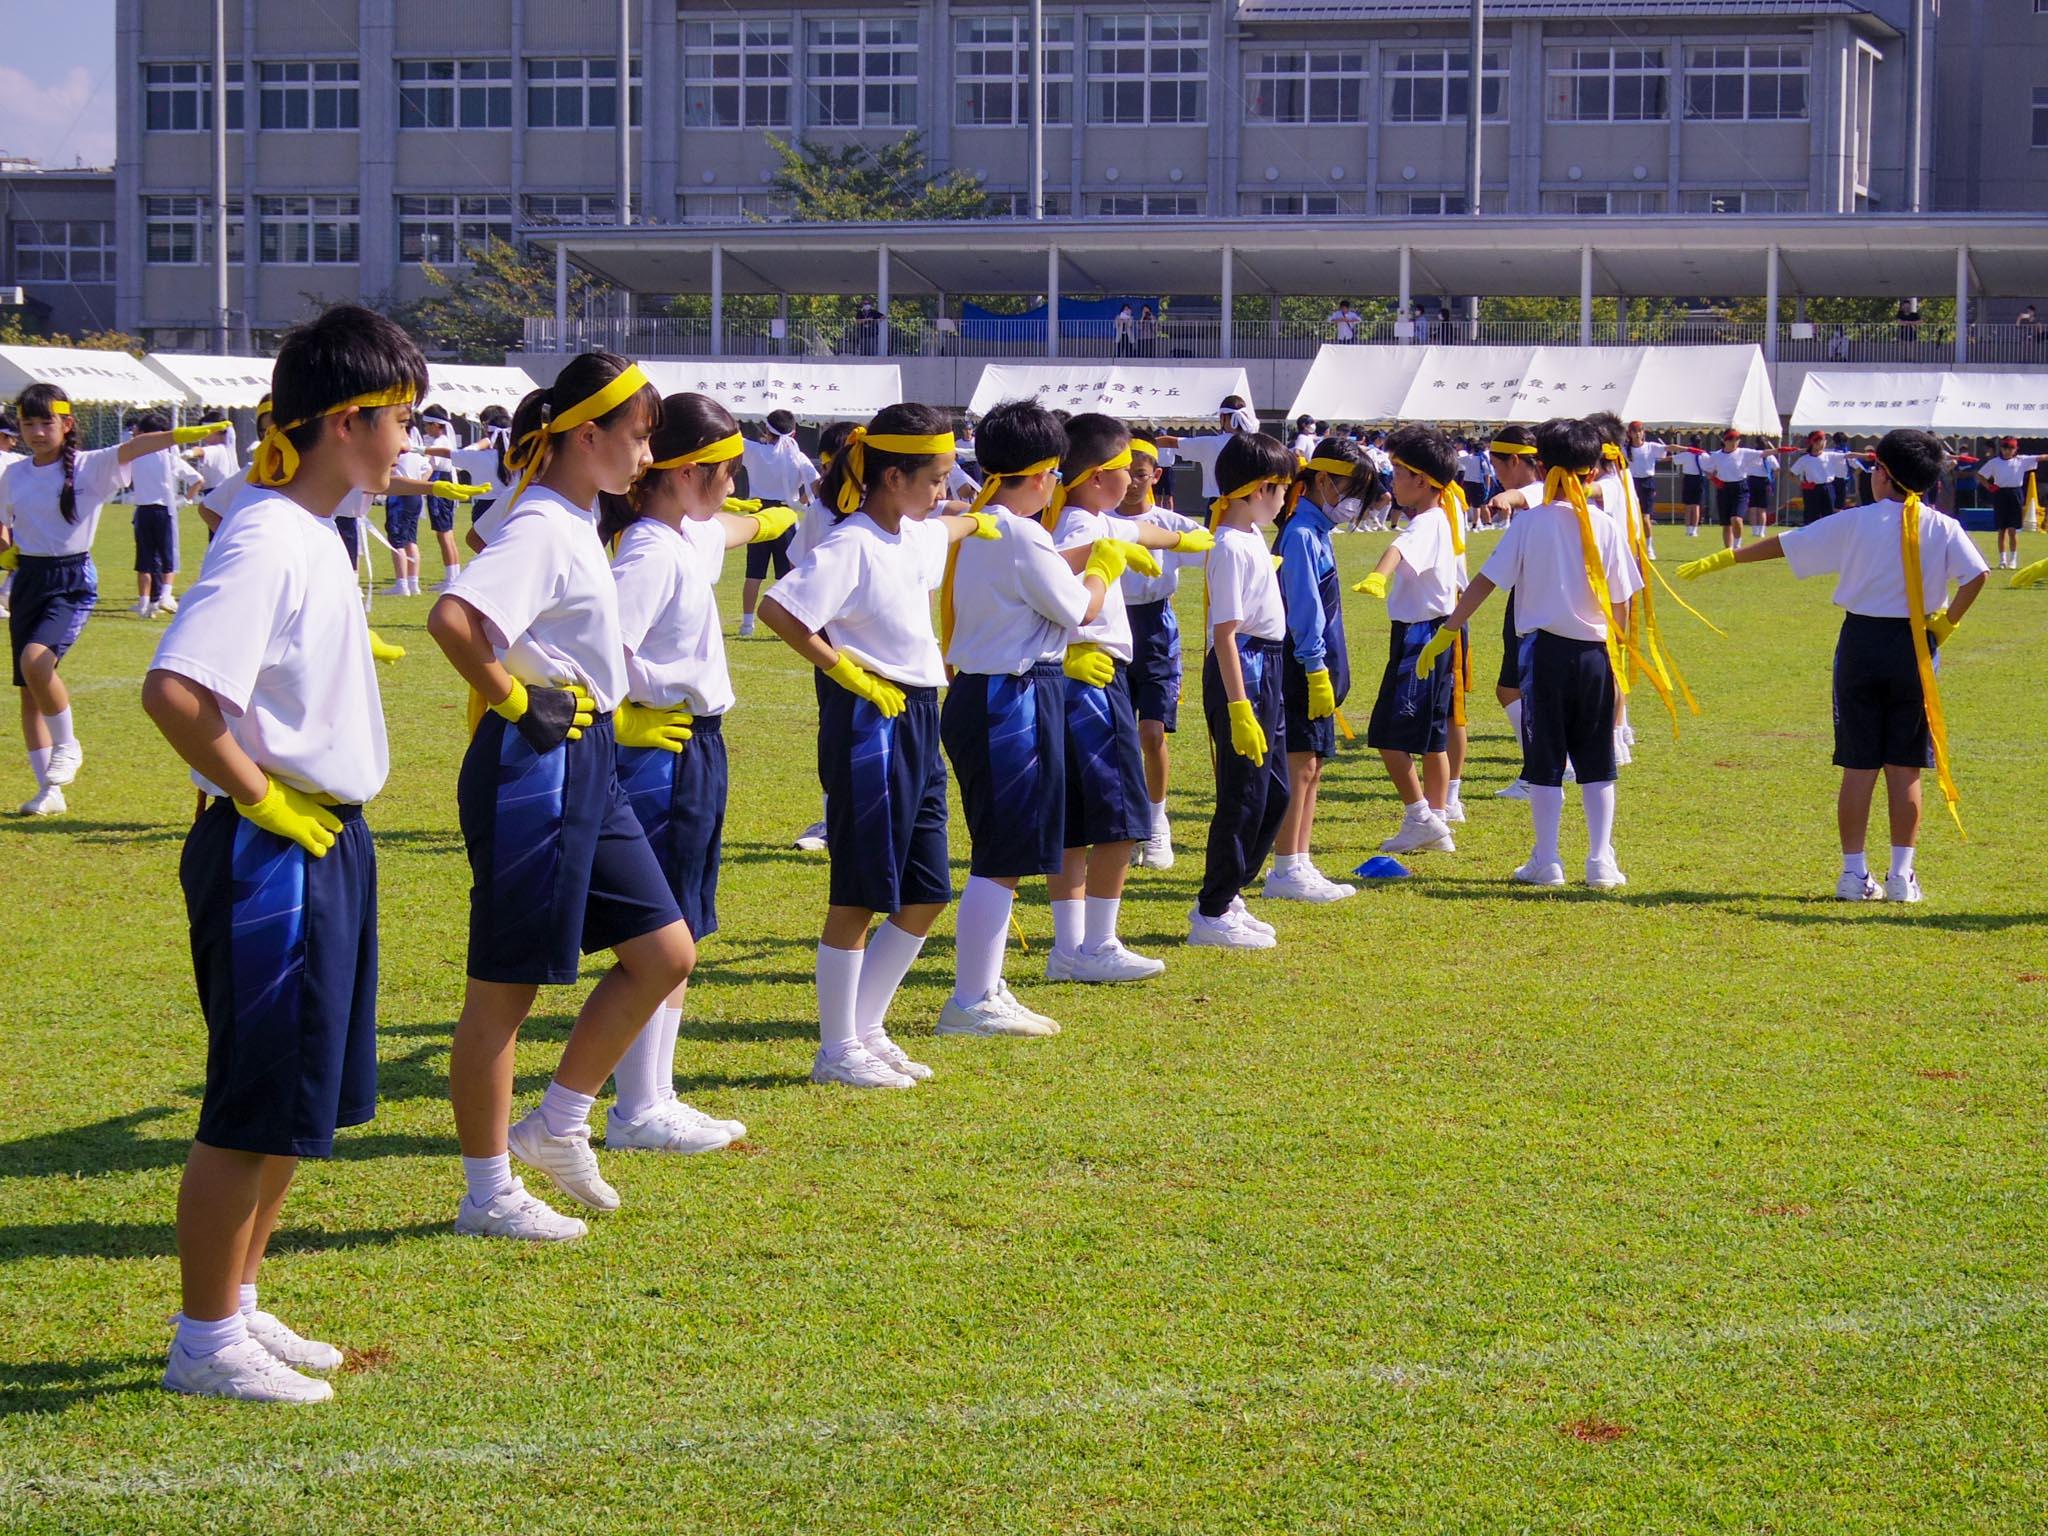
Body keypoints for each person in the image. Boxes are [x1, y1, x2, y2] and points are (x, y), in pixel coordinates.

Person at [140, 302, 427, 1403]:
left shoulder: (312, 528)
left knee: (299, 1098)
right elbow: (176, 691)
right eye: (402, 417)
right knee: (253, 1099)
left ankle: (240, 1302)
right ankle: (204, 1338)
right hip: (274, 852)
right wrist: (263, 799)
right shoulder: (268, 535)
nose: (411, 439)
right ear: (347, 421)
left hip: (324, 838)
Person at [427, 353, 696, 1240]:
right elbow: (454, 618)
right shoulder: (545, 522)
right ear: (586, 435)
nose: (648, 456)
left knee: (665, 952)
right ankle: (487, 1192)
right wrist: (516, 699)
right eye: (640, 436)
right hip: (532, 768)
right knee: (503, 991)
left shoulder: (570, 514)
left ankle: (558, 1124)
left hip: (586, 758)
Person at [755, 403, 1000, 1089]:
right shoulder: (852, 543)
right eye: (936, 478)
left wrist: (986, 516)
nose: (945, 490)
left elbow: (949, 526)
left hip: (918, 712)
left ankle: (865, 1029)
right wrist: (846, 672)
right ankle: (836, 1049)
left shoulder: (910, 532)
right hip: (871, 719)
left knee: (927, 890)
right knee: (861, 892)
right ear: (893, 477)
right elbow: (780, 608)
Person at [598, 392, 794, 1150]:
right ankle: (637, 1108)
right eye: (725, 469)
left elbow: (732, 527)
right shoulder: (650, 551)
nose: (734, 482)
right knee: (659, 930)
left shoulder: (683, 535)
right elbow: (602, 649)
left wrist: (768, 519)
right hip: (662, 747)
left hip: (694, 744)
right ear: (683, 472)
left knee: (681, 922)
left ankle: (656, 1095)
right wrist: (633, 709)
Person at [1677, 428, 1988, 903]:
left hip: (1861, 642)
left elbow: (1788, 544)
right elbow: (1977, 574)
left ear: (1883, 474)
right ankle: (1902, 876)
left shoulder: (1855, 521)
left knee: (1858, 765)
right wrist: (1949, 623)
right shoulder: (1942, 525)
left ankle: (1853, 874)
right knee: (1905, 766)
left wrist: (1727, 559)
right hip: (1916, 644)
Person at [936, 399, 1131, 1037]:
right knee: (1002, 856)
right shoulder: (1021, 533)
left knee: (1010, 852)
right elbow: (1079, 609)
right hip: (1010, 698)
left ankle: (987, 986)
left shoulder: (989, 524)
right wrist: (1102, 569)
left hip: (999, 692)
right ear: (1046, 473)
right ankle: (971, 999)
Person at [1422, 417, 1644, 890]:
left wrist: (1448, 629)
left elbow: (1486, 581)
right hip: (1596, 655)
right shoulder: (1606, 526)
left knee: (1545, 759)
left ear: (1541, 467)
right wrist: (1616, 655)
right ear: (1592, 472)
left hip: (1543, 655)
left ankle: (1548, 859)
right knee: (1597, 760)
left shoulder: (1531, 524)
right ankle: (1600, 859)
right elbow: (1622, 601)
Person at [0, 386, 226, 816]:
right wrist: (5, 551)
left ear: (67, 424)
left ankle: (68, 745)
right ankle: (49, 790)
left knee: (35, 662)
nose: (36, 432)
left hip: (70, 580)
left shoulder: (91, 465)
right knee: (30, 690)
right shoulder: (14, 474)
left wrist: (183, 435)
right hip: (28, 577)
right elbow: (3, 523)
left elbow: (137, 446)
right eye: (28, 423)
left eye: (46, 422)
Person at [1042, 414, 1202, 982]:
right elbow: (1060, 592)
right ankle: (1098, 944)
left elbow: (1138, 534)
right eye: (1122, 468)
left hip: (1079, 680)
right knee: (1118, 818)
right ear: (1096, 476)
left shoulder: (1086, 519)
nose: (1133, 479)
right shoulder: (1079, 529)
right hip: (1093, 678)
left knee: (1075, 822)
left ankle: (1070, 947)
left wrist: (1183, 538)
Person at [1190, 431, 1293, 949]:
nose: (1285, 497)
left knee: (1275, 793)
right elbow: (1225, 633)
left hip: (1267, 665)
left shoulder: (1251, 536)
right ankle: (1212, 911)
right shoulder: (1230, 545)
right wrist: (1238, 707)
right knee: (1244, 795)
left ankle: (1230, 893)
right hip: (1244, 670)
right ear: (1258, 489)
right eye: (1281, 488)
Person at [1267, 436, 1376, 901]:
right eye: (1352, 490)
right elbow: (1304, 609)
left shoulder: (1318, 531)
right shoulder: (1300, 534)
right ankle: (1285, 868)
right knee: (1300, 765)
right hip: (1301, 665)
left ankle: (1301, 859)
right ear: (1324, 481)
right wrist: (1315, 667)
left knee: (1312, 765)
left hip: (1318, 667)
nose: (1354, 503)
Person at [1352, 425, 1468, 855]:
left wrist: (1377, 577)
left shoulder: (1426, 523)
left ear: (1421, 481)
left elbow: (1397, 550)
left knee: (1388, 734)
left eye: (1398, 473)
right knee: (1432, 736)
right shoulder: (1440, 519)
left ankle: (1420, 817)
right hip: (1437, 631)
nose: (1393, 481)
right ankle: (1436, 820)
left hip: (1419, 637)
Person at [1118, 430, 1208, 869]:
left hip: (1156, 628)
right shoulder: (1097, 521)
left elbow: (1214, 550)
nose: (1133, 482)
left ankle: (1156, 822)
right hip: (1109, 625)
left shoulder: (1170, 523)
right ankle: (1127, 824)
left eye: (1141, 474)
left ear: (1155, 475)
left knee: (1152, 732)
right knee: (1115, 736)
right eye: (1125, 472)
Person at [1482, 426, 1542, 799]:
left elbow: (1525, 494)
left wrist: (1506, 497)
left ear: (1515, 460)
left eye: (1498, 465)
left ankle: (1539, 770)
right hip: (1533, 598)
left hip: (1530, 603)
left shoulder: (1537, 493)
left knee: (1514, 689)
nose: (1496, 474)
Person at [736, 409, 817, 637]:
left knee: (754, 572)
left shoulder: (756, 451)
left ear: (767, 430)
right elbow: (816, 483)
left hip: (760, 513)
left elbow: (734, 437)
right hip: (785, 514)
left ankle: (747, 624)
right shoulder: (797, 457)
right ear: (794, 432)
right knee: (787, 575)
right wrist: (799, 502)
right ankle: (787, 623)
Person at [124, 410, 204, 616]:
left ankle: (144, 603)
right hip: (164, 510)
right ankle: (165, 596)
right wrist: (186, 500)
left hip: (143, 511)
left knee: (144, 560)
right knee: (168, 555)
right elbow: (198, 480)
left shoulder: (135, 456)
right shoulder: (168, 458)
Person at [414, 405, 466, 589]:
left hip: (440, 484)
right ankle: (453, 575)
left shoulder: (439, 443)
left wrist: (416, 484)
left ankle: (451, 577)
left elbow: (429, 466)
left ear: (436, 425)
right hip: (445, 482)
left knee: (443, 533)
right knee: (447, 532)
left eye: (427, 425)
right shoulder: (444, 441)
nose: (425, 428)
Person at [1976, 437, 2040, 571]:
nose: (2008, 451)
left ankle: (2013, 559)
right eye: (2005, 448)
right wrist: (1989, 486)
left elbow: (2040, 457)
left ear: (2016, 449)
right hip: (2000, 493)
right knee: (2001, 529)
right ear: (2001, 448)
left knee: (2012, 529)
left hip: (2015, 493)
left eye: (2011, 448)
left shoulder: (2021, 460)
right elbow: (1980, 475)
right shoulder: (1994, 462)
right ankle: (2002, 559)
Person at [1703, 428, 1761, 549]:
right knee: (1726, 523)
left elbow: (1764, 453)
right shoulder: (1716, 455)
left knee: (1736, 518)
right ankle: (1728, 550)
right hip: (1724, 488)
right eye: (1730, 439)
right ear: (1724, 440)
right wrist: (1715, 479)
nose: (1733, 442)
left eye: (1736, 439)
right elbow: (1708, 471)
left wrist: (1781, 450)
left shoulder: (1743, 452)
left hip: (1740, 487)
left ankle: (1737, 546)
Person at [1625, 422, 1666, 557]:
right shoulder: (1624, 449)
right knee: (1631, 516)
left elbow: (1668, 448)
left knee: (1645, 517)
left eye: (1640, 431)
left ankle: (1649, 548)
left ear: (1643, 432)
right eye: (1634, 431)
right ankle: (1632, 547)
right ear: (1630, 433)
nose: (1637, 434)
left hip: (1647, 483)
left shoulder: (1650, 447)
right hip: (1631, 483)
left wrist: (1689, 449)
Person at [1790, 431, 1839, 525]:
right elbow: (1792, 474)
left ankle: (1828, 532)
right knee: (1811, 516)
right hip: (1812, 488)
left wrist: (1866, 456)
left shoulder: (1830, 455)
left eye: (1825, 441)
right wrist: (1802, 484)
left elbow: (1848, 455)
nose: (1824, 443)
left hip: (1828, 487)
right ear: (1813, 442)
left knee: (1829, 515)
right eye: (1821, 441)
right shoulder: (1805, 459)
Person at [1677, 435, 1706, 538]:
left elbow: (1676, 460)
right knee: (1696, 506)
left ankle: (1688, 530)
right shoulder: (1704, 454)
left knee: (1689, 506)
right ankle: (1694, 531)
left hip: (1689, 479)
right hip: (1699, 479)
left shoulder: (1686, 454)